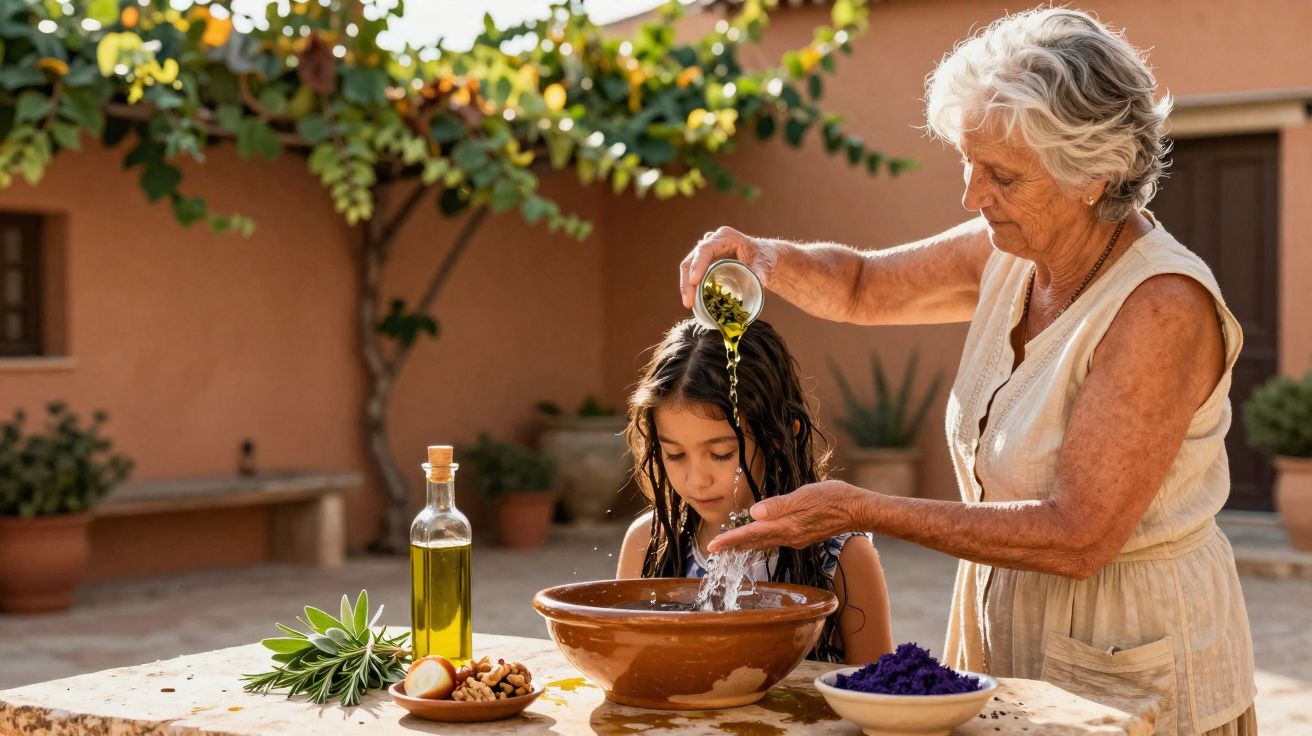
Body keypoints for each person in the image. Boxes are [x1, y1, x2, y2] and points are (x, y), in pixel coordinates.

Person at [686, 8, 1255, 735]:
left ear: (1093, 176)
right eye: (968, 162)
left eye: (1003, 176)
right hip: (1004, 637)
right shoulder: (1012, 249)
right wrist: (765, 258)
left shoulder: (1161, 306)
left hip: (1134, 656)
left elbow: (1079, 534)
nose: (972, 196)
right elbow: (861, 286)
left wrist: (863, 510)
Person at [615, 318, 893, 664]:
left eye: (721, 454)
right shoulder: (649, 544)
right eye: (675, 454)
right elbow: (626, 668)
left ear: (779, 438)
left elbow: (877, 688)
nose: (696, 480)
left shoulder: (841, 558)